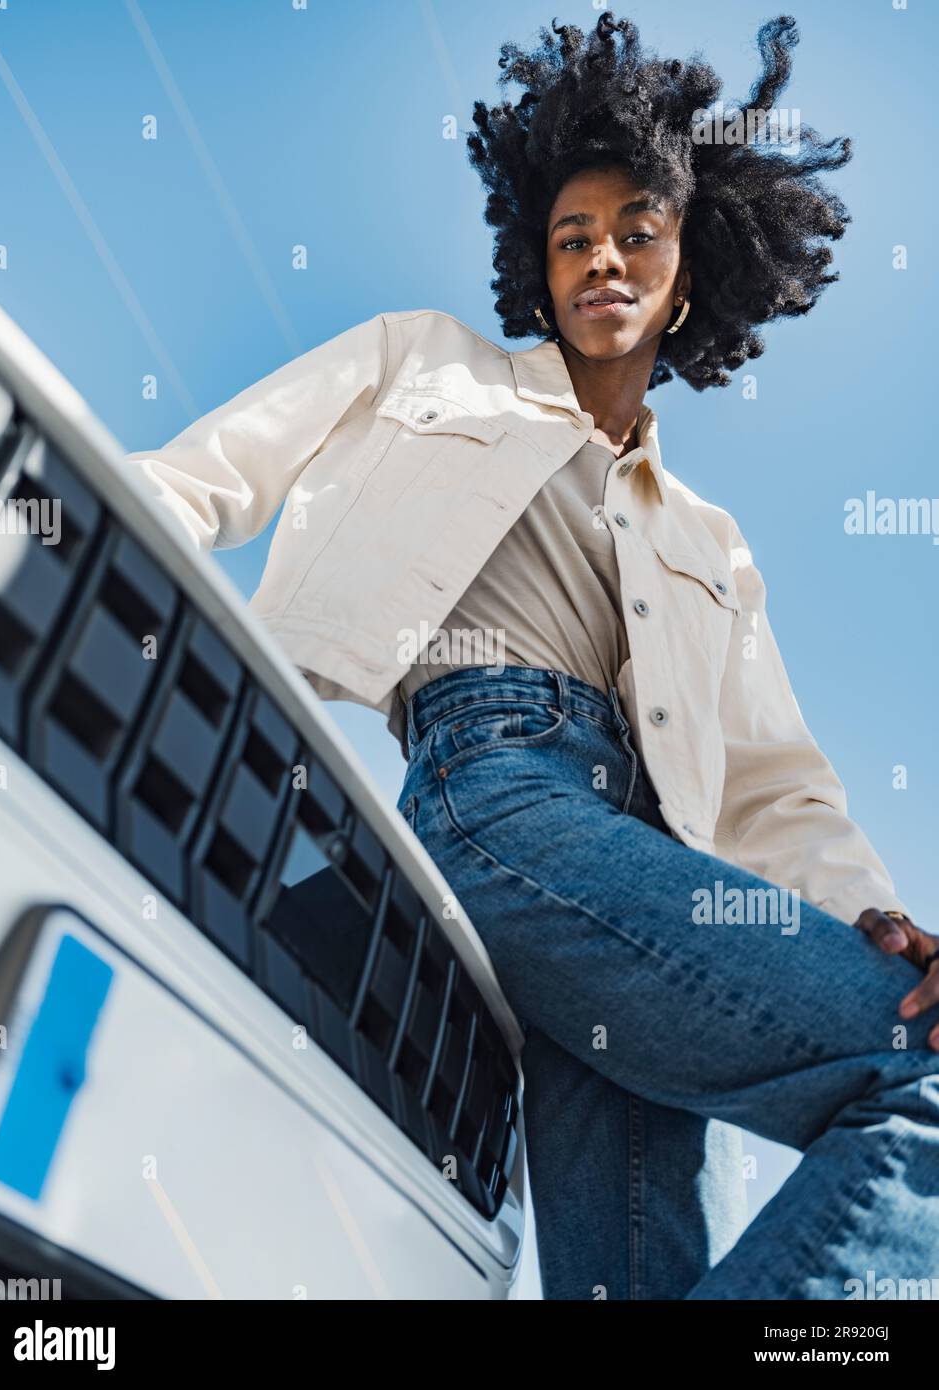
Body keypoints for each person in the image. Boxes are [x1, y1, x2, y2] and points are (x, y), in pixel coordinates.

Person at [125, 12, 939, 1300]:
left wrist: (874, 920)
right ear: (538, 265)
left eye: (637, 235)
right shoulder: (424, 366)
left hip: (644, 867)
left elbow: (783, 789)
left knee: (640, 1280)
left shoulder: (714, 544)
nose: (602, 259)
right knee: (923, 1075)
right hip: (500, 800)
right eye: (573, 239)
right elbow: (200, 480)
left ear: (690, 268)